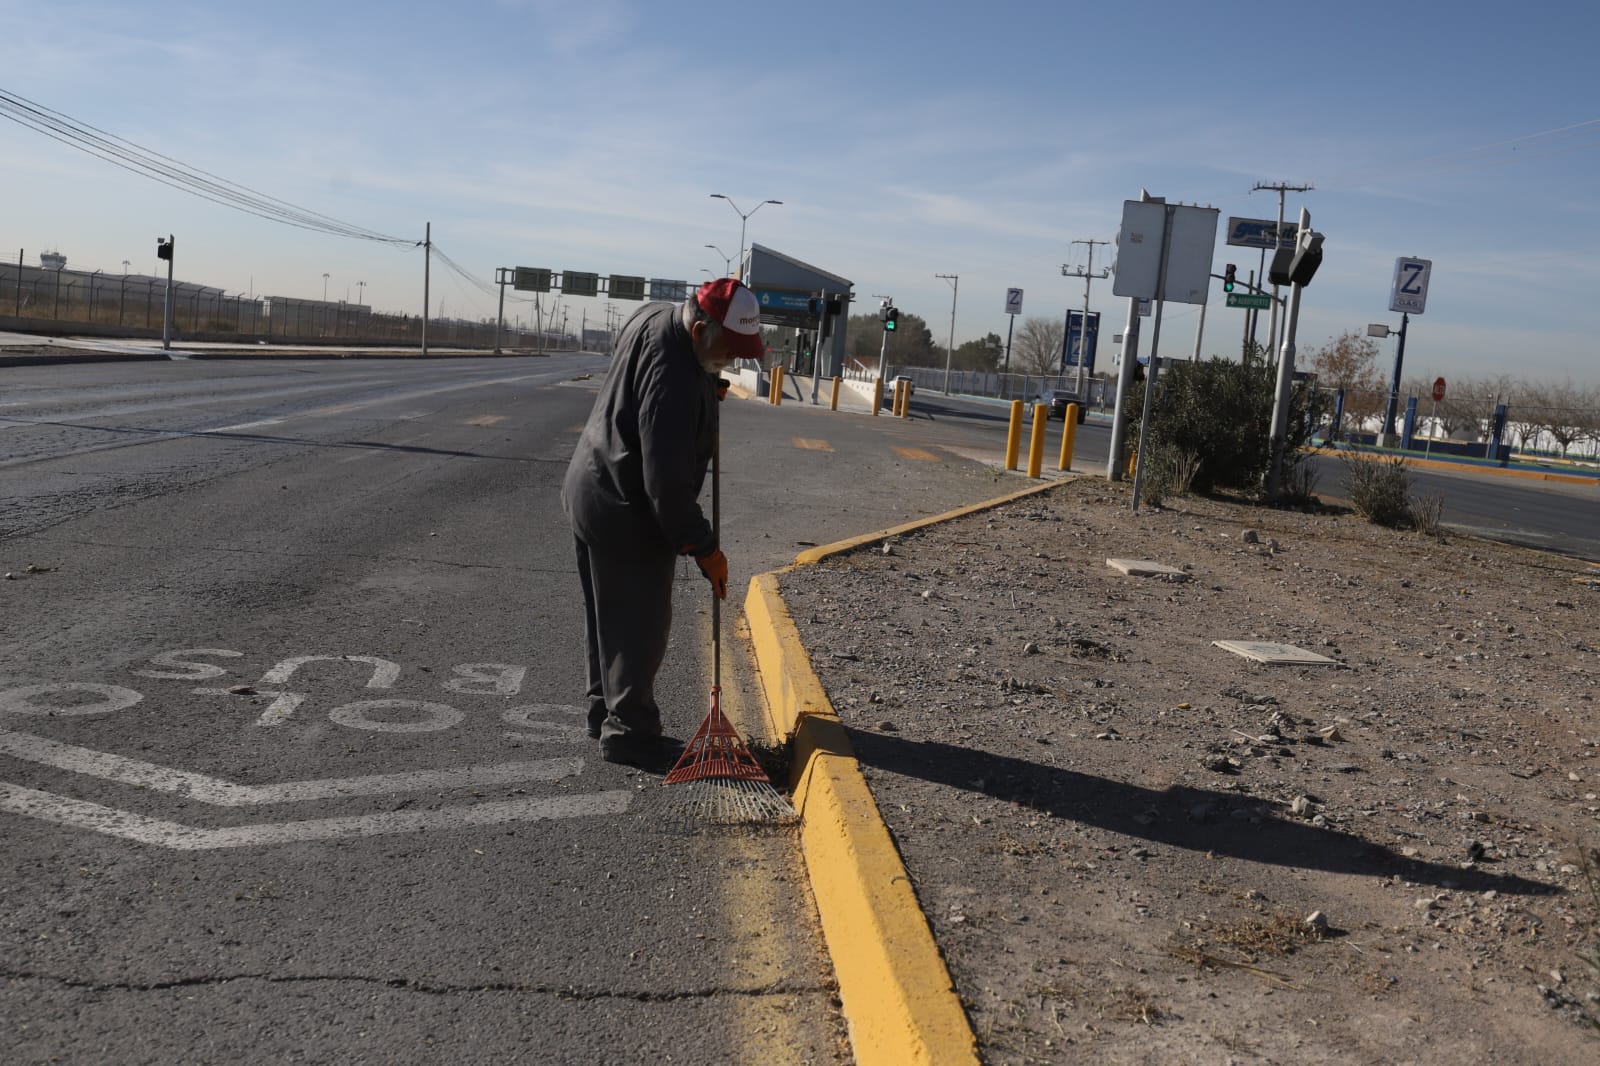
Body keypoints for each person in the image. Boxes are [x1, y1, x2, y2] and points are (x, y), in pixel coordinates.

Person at [561, 277, 762, 769]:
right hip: (625, 510)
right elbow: (667, 488)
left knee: (608, 618)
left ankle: (604, 712)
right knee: (639, 626)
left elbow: (642, 367)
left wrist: (706, 384)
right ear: (698, 330)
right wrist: (704, 548)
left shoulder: (654, 315)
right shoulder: (674, 380)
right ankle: (631, 734)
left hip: (589, 485)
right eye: (726, 350)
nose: (730, 362)